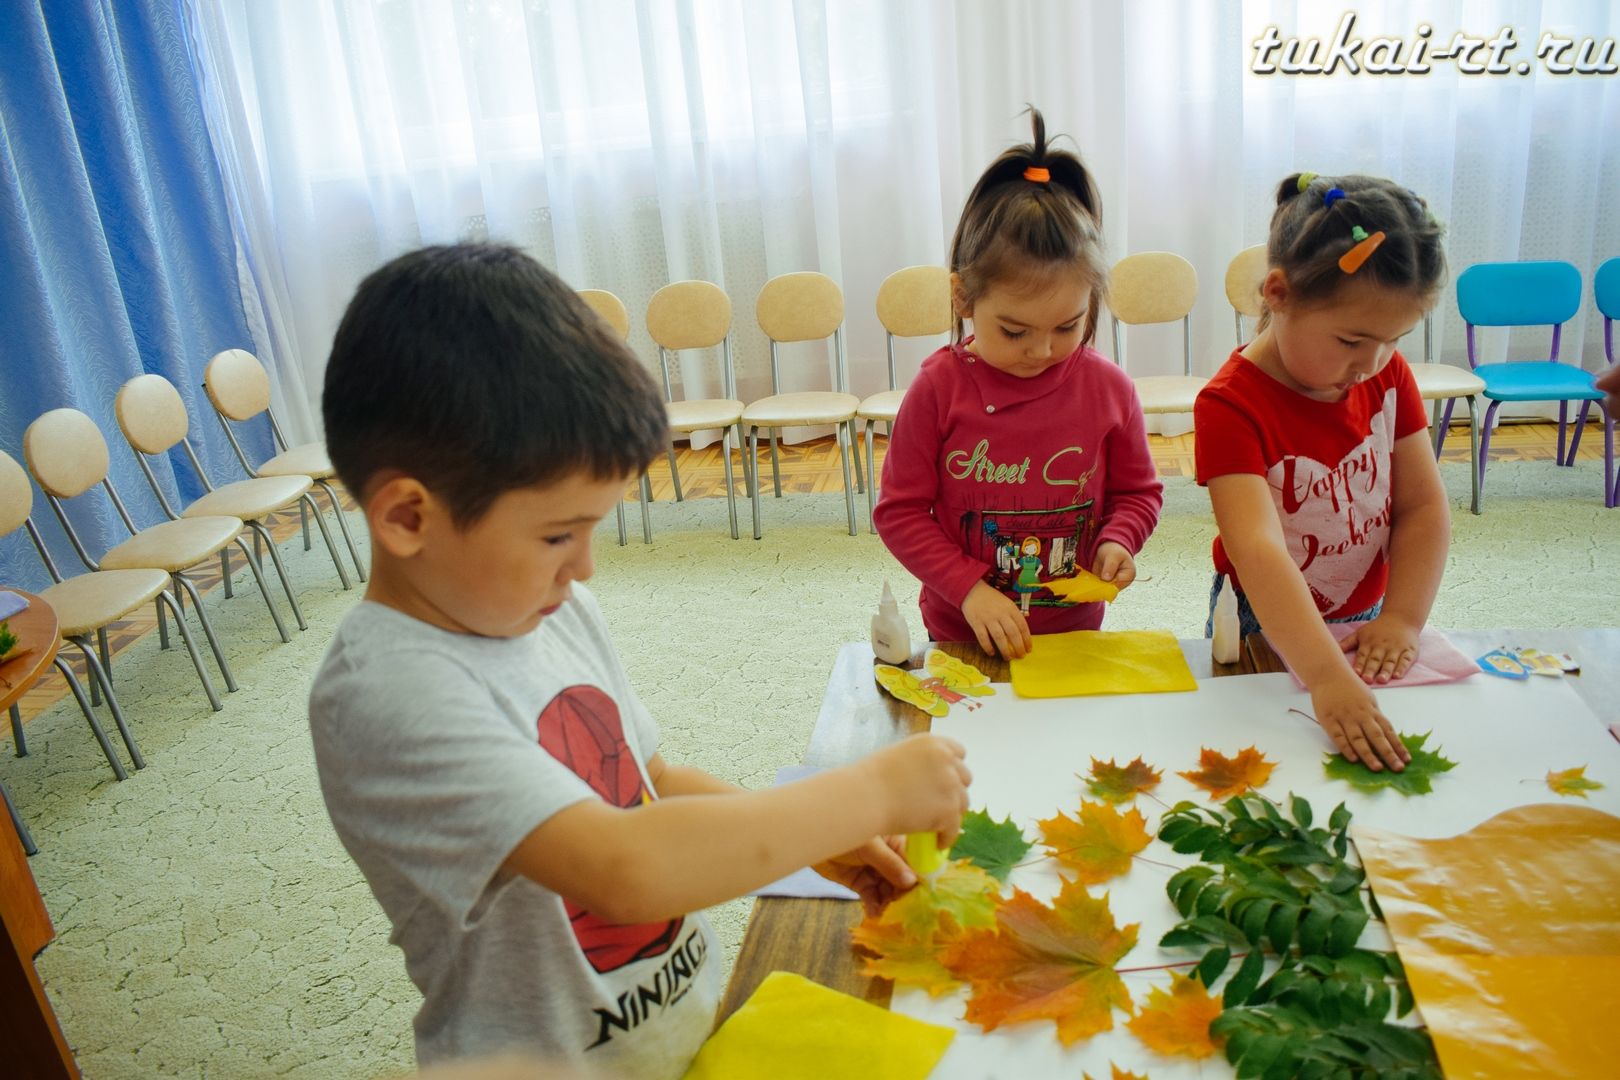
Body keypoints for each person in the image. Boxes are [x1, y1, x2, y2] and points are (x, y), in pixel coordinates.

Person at [308, 244, 971, 1079]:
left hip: (671, 1037)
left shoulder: (551, 607)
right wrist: (866, 790)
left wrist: (817, 835)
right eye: (558, 535)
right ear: (408, 515)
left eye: (593, 530)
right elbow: (625, 868)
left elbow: (647, 781)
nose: (585, 568)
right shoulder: (390, 695)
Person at [873, 108, 1163, 659]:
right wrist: (968, 589)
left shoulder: (1110, 388)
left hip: (1076, 632)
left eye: (1068, 326)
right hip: (965, 627)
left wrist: (1119, 539)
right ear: (963, 298)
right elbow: (900, 512)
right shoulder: (938, 388)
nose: (1042, 350)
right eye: (1014, 330)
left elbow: (1138, 493)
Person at [1195, 172, 1452, 773]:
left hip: (1367, 616)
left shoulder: (1386, 373)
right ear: (1278, 294)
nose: (1372, 364)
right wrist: (1324, 676)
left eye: (1394, 341)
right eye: (1350, 340)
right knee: (1266, 761)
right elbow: (1257, 550)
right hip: (1264, 623)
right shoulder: (1229, 404)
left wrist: (1403, 618)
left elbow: (1422, 508)